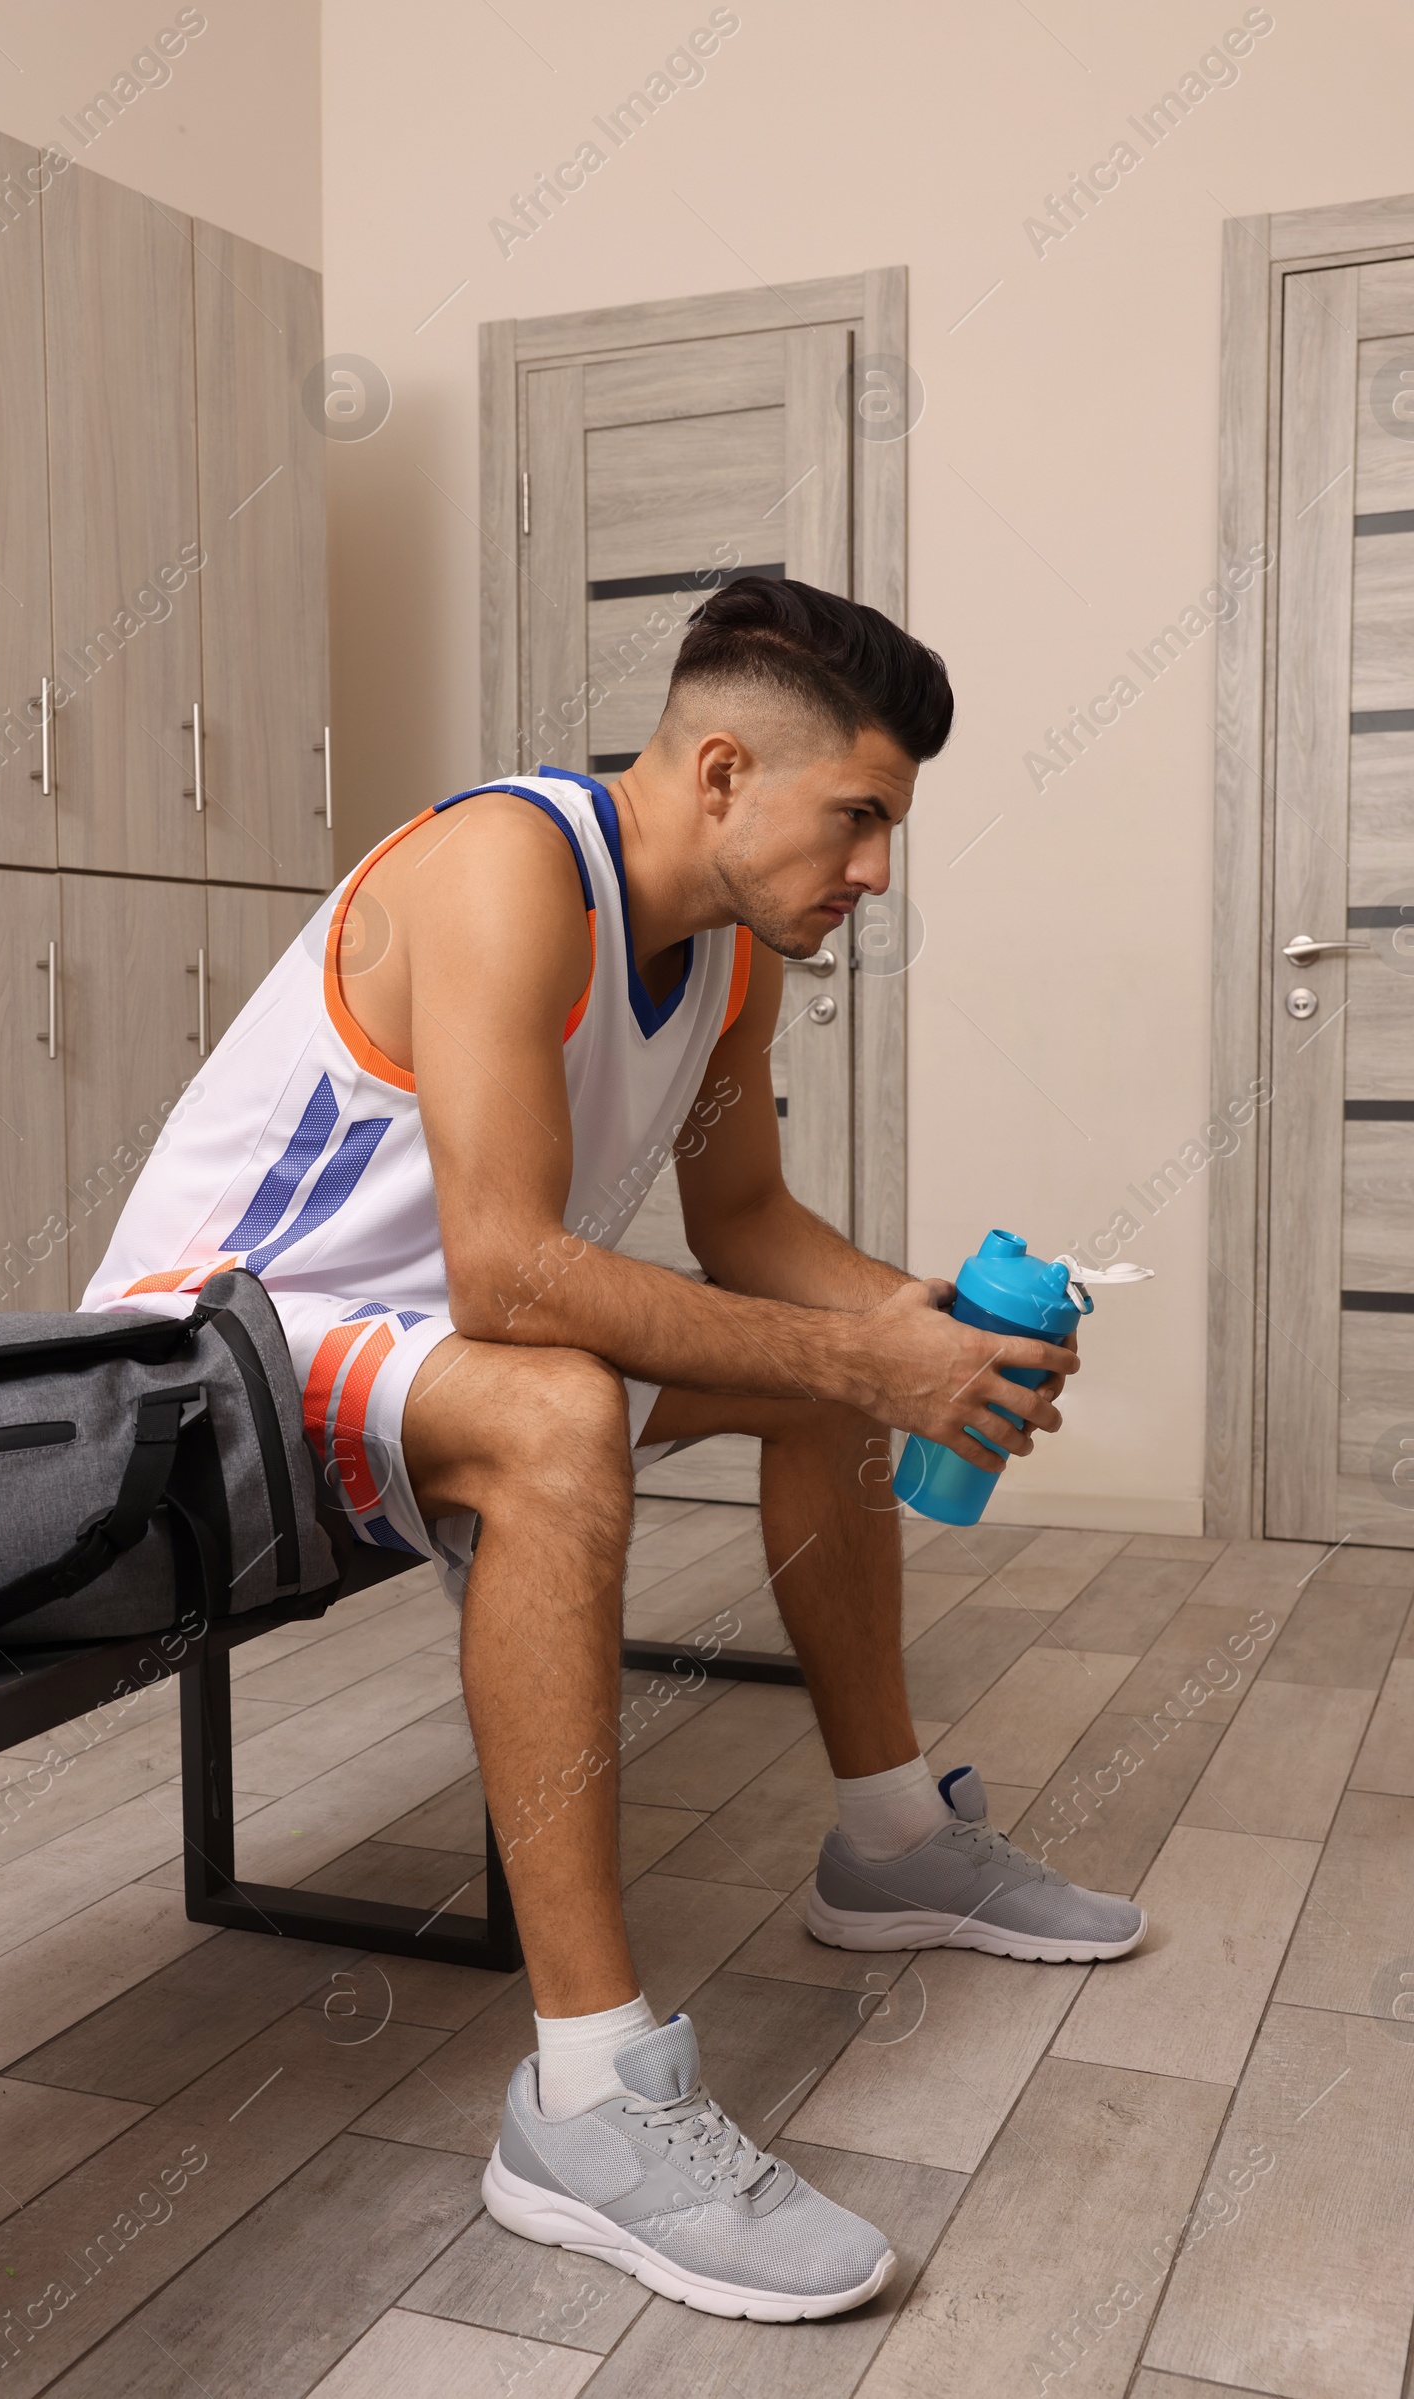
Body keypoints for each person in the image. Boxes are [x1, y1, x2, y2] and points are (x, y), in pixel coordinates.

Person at [83, 576, 1145, 2321]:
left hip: (416, 1354)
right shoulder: (510, 870)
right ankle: (588, 2102)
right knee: (557, 1403)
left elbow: (750, 1234)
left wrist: (922, 1331)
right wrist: (868, 1352)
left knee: (813, 1381)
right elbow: (508, 1274)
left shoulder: (732, 961)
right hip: (204, 1357)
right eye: (860, 815)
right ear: (722, 772)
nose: (877, 871)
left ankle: (891, 1843)